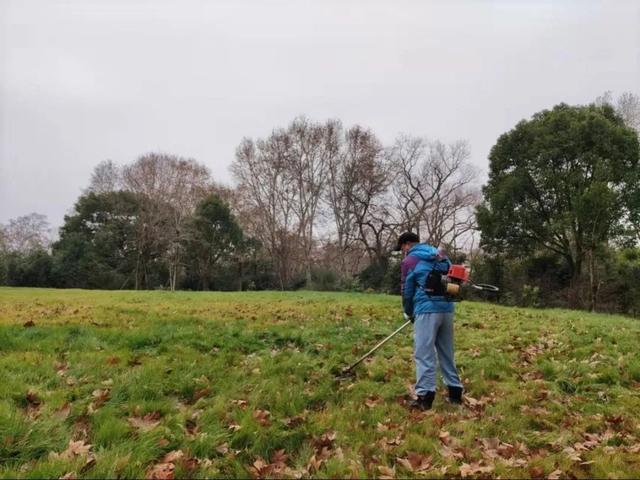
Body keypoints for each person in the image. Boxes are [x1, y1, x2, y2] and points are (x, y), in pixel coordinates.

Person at [396, 231, 464, 410]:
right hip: (447, 308)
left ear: (407, 244)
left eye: (402, 248)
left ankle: (425, 397)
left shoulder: (409, 261)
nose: (403, 251)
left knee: (424, 353)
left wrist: (409, 312)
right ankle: (455, 392)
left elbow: (407, 290)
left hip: (426, 310)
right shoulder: (441, 255)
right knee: (446, 352)